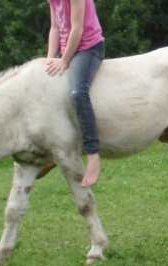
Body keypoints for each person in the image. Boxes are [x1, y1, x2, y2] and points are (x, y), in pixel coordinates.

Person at [46, 0, 105, 187]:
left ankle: (93, 155)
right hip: (68, 49)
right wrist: (49, 58)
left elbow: (77, 29)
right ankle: (51, 154)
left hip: (88, 49)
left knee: (78, 93)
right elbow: (55, 27)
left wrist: (64, 61)